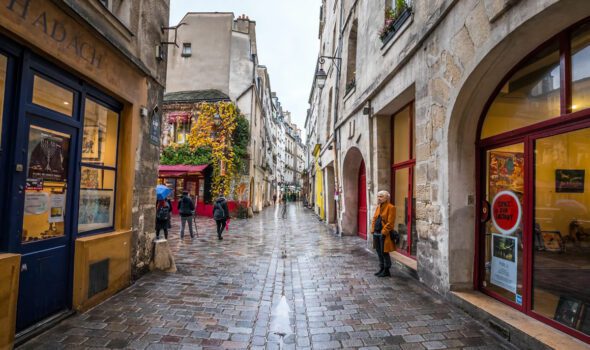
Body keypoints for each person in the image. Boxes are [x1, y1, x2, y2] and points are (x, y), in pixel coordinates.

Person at [371, 190, 396, 277]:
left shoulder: (391, 207)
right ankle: (381, 268)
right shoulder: (378, 207)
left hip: (384, 234)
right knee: (378, 252)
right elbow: (374, 218)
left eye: (381, 196)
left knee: (384, 252)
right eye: (378, 196)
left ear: (387, 198)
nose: (379, 198)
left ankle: (386, 270)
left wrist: (384, 232)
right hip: (376, 233)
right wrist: (373, 230)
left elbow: (390, 223)